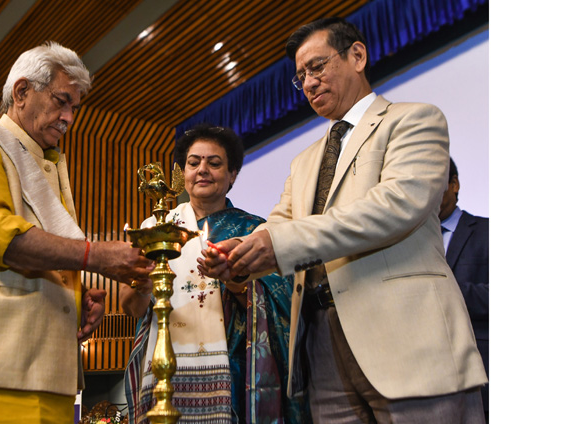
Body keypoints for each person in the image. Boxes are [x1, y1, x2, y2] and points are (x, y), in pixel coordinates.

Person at [198, 18, 487, 423]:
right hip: (320, 345)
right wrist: (239, 255)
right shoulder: (304, 161)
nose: (310, 82)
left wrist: (276, 245)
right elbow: (278, 226)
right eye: (301, 77)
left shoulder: (414, 119)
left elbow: (395, 206)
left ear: (357, 55)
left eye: (317, 67)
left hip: (407, 342)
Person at [0, 41, 154, 424]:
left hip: (48, 380)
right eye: (61, 101)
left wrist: (73, 292)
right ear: (22, 92)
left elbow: (41, 252)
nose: (69, 117)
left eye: (75, 108)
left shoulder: (48, 165)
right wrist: (97, 256)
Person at [121, 124, 306, 423]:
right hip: (166, 367)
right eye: (194, 163)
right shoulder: (155, 230)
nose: (203, 170)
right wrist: (143, 283)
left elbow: (280, 305)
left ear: (232, 174)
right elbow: (131, 308)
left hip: (233, 368)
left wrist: (231, 277)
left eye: (215, 163)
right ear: (181, 174)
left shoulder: (254, 231)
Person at [439, 157, 490, 421]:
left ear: (454, 184)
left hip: (483, 380)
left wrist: (442, 292)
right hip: (425, 390)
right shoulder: (404, 248)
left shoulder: (489, 232)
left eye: (433, 184)